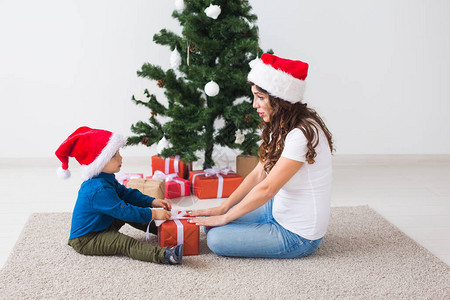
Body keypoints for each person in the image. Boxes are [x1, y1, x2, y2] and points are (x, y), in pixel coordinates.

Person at [190, 53, 334, 258]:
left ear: (279, 99)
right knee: (212, 225)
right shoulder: (281, 124)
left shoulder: (301, 133)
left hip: (298, 235)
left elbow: (267, 189)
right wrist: (224, 207)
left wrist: (225, 217)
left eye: (260, 97)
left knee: (216, 238)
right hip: (277, 210)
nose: (254, 104)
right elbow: (259, 174)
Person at [55, 126, 183, 264]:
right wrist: (153, 213)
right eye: (114, 155)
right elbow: (124, 211)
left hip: (103, 223)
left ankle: (163, 231)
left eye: (118, 152)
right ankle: (166, 255)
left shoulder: (105, 177)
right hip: (87, 238)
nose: (120, 157)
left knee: (132, 208)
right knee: (124, 242)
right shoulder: (98, 189)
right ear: (100, 162)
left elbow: (127, 194)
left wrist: (152, 202)